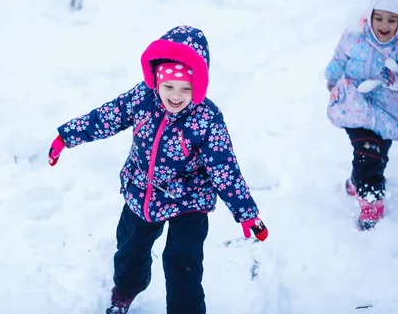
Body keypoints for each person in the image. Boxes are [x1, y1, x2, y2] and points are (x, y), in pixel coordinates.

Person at [48, 25, 269, 314]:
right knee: (130, 249)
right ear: (156, 81)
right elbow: (107, 116)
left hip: (189, 201)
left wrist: (246, 213)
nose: (176, 96)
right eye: (169, 87)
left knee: (183, 264)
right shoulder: (142, 98)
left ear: (198, 85)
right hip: (142, 191)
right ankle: (126, 289)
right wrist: (67, 136)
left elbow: (224, 167)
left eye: (186, 88)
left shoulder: (207, 119)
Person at [325, 0, 398, 230]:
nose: (384, 26)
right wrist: (332, 82)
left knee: (378, 155)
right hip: (355, 105)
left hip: (389, 113)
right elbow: (339, 57)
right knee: (367, 152)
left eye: (392, 20)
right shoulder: (355, 35)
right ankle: (372, 203)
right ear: (370, 15)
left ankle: (356, 181)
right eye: (379, 18)